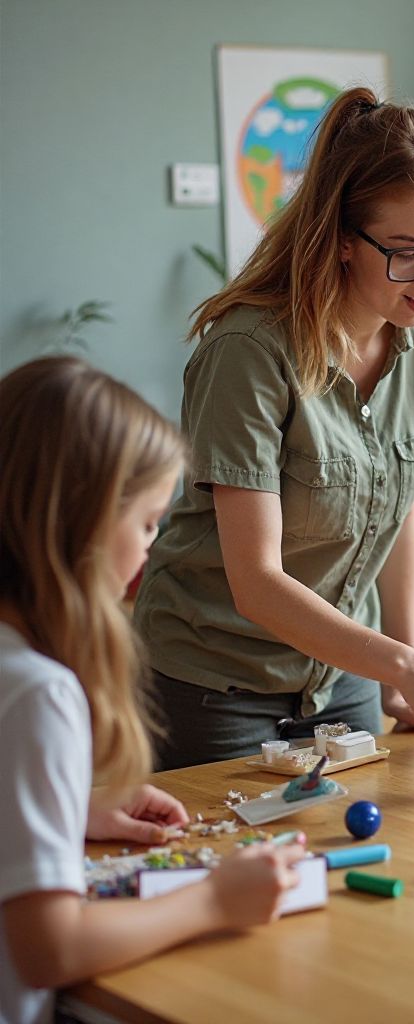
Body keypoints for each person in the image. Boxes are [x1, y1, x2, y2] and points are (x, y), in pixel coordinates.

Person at [133, 87, 414, 768]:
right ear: (341, 240)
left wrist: (406, 664)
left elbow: (399, 511)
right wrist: (404, 665)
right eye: (406, 251)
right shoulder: (248, 352)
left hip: (342, 679)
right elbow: (255, 581)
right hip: (213, 684)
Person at [0, 357, 306, 1024]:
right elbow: (47, 950)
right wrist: (214, 902)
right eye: (145, 524)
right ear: (81, 524)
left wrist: (70, 810)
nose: (148, 552)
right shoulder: (38, 693)